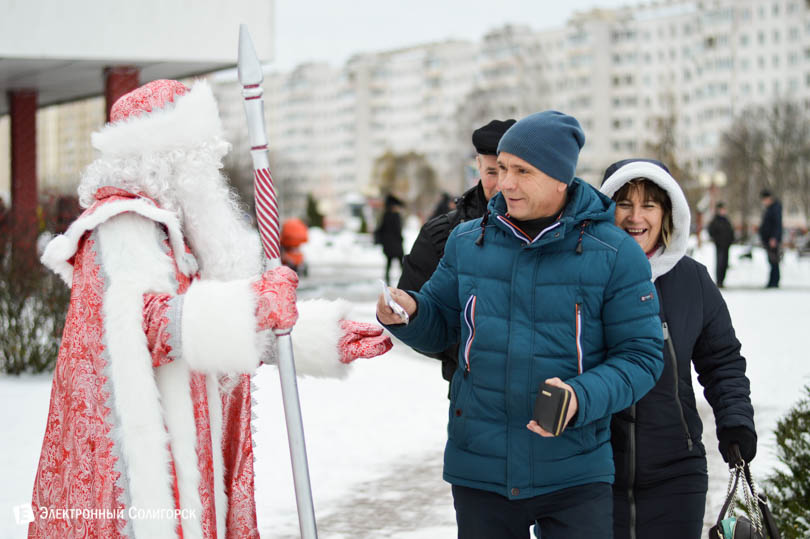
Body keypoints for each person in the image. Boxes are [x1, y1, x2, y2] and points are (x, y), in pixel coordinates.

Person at [32, 79, 392, 539]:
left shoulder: (178, 226)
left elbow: (221, 324)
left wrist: (316, 336)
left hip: (197, 433)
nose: (209, 163)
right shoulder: (122, 225)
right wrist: (256, 304)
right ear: (162, 152)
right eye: (197, 151)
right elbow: (145, 323)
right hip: (153, 449)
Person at [377, 111, 664, 538]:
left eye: (522, 171)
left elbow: (642, 357)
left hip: (574, 473)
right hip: (481, 468)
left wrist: (580, 398)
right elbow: (440, 324)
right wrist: (411, 314)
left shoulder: (615, 252)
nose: (504, 182)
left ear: (559, 178)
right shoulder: (467, 241)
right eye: (502, 169)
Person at [600, 159, 756, 539]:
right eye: (625, 203)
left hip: (676, 474)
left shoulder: (692, 280)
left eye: (649, 205)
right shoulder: (581, 277)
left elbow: (722, 362)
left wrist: (735, 421)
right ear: (606, 208)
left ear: (668, 212)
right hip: (594, 474)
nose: (636, 216)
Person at [398, 118, 515, 384]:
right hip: (471, 391)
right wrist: (468, 350)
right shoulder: (442, 235)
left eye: (512, 170)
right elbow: (417, 319)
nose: (503, 184)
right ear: (478, 167)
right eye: (492, 172)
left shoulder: (553, 230)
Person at [375, 193, 405, 284]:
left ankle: (388, 282)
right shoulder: (395, 216)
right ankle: (405, 281)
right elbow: (397, 230)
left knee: (388, 264)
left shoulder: (385, 215)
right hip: (396, 244)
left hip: (388, 245)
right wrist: (401, 239)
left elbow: (381, 229)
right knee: (401, 265)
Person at [759, 189, 783, 288]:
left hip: (772, 240)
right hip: (769, 239)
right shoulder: (771, 208)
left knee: (774, 261)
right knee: (772, 261)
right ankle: (773, 281)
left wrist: (774, 238)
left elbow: (777, 225)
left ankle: (774, 282)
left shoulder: (775, 209)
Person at [707, 201, 735, 288]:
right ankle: (719, 281)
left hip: (727, 245)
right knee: (720, 263)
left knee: (725, 263)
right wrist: (717, 239)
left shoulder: (726, 220)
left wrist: (731, 239)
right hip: (719, 245)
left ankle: (722, 280)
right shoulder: (715, 220)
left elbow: (731, 231)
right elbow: (711, 231)